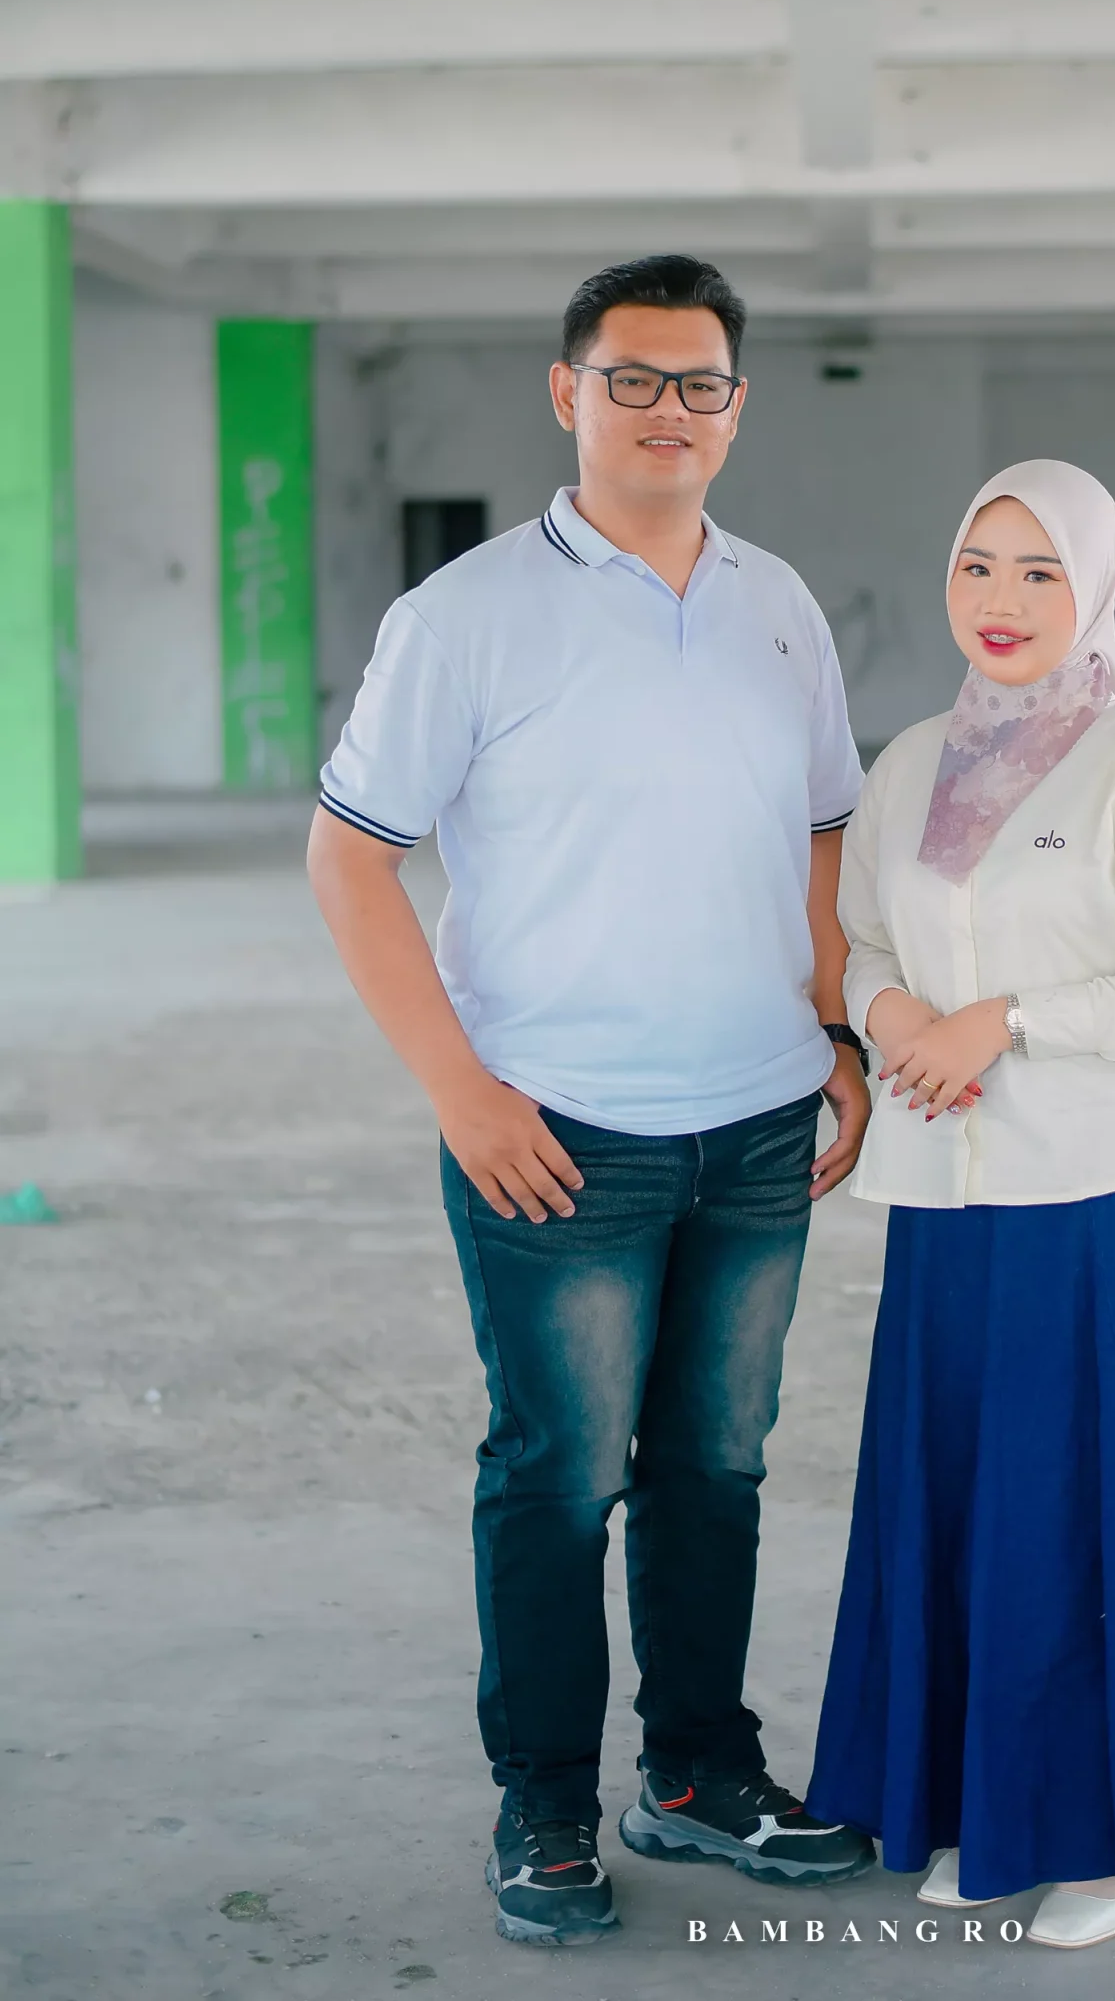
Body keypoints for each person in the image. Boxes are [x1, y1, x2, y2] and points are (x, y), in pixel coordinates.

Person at [307, 255, 877, 1947]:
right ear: (569, 394)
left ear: (736, 409)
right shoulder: (466, 617)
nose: (667, 411)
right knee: (560, 1478)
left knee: (716, 1466)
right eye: (632, 378)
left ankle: (696, 1773)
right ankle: (545, 1803)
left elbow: (826, 832)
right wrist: (462, 1094)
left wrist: (836, 1030)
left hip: (759, 1125)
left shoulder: (779, 603)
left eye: (700, 383)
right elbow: (348, 861)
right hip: (558, 1135)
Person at [807, 459, 1115, 1949]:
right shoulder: (910, 765)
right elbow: (863, 937)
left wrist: (1001, 1023)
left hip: (1114, 1202)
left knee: (1089, 1520)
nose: (1000, 600)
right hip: (952, 1203)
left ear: (1096, 591)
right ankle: (977, 1812)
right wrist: (894, 1019)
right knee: (966, 1507)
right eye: (978, 566)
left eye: (1039, 572)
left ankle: (1097, 1846)